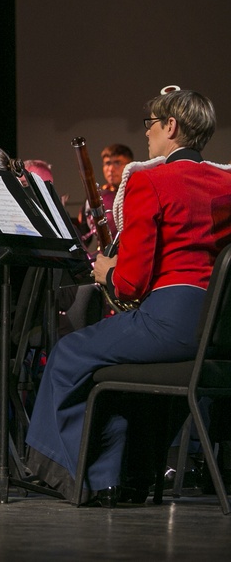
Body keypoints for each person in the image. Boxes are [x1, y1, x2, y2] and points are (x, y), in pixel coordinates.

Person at [25, 88, 231, 506]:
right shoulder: (227, 181)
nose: (148, 135)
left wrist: (107, 270)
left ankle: (69, 473)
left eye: (151, 125)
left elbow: (132, 284)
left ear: (171, 127)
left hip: (170, 321)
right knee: (114, 366)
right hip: (218, 327)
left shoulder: (149, 179)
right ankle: (119, 476)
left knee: (69, 353)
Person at [78, 143, 134, 250]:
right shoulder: (95, 198)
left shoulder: (138, 193)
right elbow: (84, 237)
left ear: (129, 165)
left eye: (117, 163)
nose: (111, 169)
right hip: (105, 259)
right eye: (107, 163)